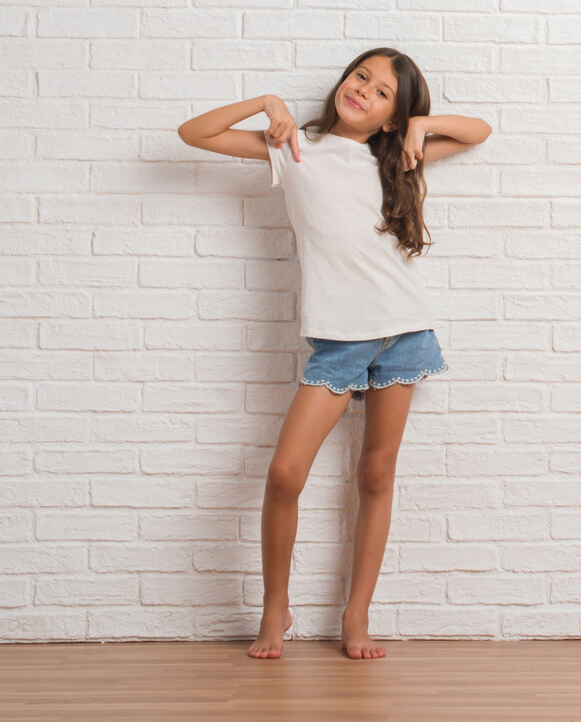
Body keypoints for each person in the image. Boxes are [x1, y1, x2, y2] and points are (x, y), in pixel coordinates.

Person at [177, 48, 492, 660]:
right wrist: (269, 103)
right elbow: (196, 133)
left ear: (392, 119)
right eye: (361, 78)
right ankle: (277, 610)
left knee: (376, 475)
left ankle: (357, 615)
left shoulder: (399, 156)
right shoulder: (295, 149)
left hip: (404, 332)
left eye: (382, 95)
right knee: (285, 474)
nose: (364, 92)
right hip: (338, 341)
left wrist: (421, 128)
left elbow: (480, 131)